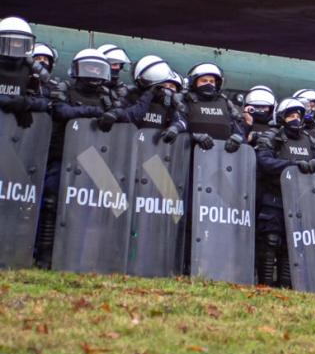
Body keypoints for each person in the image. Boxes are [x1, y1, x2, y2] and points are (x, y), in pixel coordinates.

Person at [36, 48, 116, 268]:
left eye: (97, 68)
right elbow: (61, 111)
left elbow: (116, 118)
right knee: (51, 201)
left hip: (94, 159)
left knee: (98, 206)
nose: (93, 73)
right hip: (62, 153)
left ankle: (89, 256)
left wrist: (109, 115)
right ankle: (44, 256)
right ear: (77, 69)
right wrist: (93, 113)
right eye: (88, 67)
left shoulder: (106, 95)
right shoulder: (64, 87)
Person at [253, 98, 315, 287]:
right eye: (291, 115)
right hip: (274, 197)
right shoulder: (271, 136)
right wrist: (292, 165)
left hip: (300, 200)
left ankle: (286, 284)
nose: (295, 119)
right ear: (282, 117)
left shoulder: (309, 139)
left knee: (293, 244)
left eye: (298, 115)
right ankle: (265, 284)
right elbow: (265, 161)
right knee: (270, 241)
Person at [109, 55, 187, 136]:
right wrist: (149, 95)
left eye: (171, 86)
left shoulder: (169, 103)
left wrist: (175, 128)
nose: (166, 89)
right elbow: (127, 116)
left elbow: (182, 121)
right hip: (128, 144)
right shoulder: (131, 95)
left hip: (155, 147)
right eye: (163, 85)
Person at [0, 17, 51, 130]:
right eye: (10, 41)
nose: (14, 46)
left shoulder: (30, 70)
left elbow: (45, 102)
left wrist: (26, 104)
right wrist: (6, 102)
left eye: (18, 42)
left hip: (12, 134)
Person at [183, 62, 245, 152]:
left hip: (220, 159)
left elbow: (239, 132)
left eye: (212, 81)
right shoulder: (185, 101)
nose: (208, 84)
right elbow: (177, 127)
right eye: (204, 81)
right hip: (187, 156)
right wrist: (193, 136)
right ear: (193, 82)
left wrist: (237, 139)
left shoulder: (226, 104)